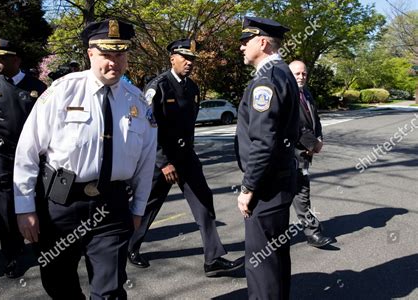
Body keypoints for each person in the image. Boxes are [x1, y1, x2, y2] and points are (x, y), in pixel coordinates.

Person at [13, 19, 157, 299]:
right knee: (58, 283)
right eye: (106, 54)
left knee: (110, 289)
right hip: (61, 202)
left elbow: (146, 161)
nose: (113, 62)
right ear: (90, 53)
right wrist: (25, 207)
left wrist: (138, 208)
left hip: (112, 207)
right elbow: (28, 150)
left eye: (120, 54)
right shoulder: (62, 91)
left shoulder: (137, 102)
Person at [127, 38, 243, 277]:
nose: (189, 63)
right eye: (185, 58)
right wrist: (163, 162)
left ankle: (213, 259)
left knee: (204, 201)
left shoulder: (193, 88)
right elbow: (149, 127)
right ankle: (128, 247)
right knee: (147, 206)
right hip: (161, 160)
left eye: (192, 60)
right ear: (172, 59)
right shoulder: (157, 87)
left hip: (186, 157)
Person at [0, 38, 47, 278]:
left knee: (40, 205)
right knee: (6, 211)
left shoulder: (37, 87)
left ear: (16, 60)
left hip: (36, 159)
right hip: (2, 159)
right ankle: (12, 256)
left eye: (1, 57)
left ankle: (43, 249)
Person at [235, 17, 299, 299]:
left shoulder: (267, 80)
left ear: (262, 42)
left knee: (261, 264)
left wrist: (248, 188)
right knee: (275, 258)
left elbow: (263, 142)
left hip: (267, 186)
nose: (241, 48)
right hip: (280, 179)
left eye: (245, 41)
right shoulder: (283, 72)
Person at [288, 60, 333, 248]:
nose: (301, 77)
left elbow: (315, 119)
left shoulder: (306, 92)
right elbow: (295, 123)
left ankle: (312, 232)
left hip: (305, 154)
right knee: (288, 194)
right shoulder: (286, 94)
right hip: (291, 153)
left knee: (302, 192)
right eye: (297, 74)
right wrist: (313, 144)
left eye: (304, 74)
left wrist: (319, 138)